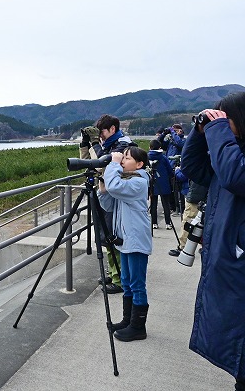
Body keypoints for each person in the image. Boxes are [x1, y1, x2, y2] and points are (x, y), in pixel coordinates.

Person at [180, 91, 245, 390]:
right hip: (236, 257)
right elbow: (193, 167)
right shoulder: (237, 149)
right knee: (234, 336)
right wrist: (200, 133)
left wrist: (217, 130)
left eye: (227, 120)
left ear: (242, 118)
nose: (222, 125)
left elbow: (236, 177)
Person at [97, 146, 152, 342]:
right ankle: (127, 321)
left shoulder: (139, 182)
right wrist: (103, 191)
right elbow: (109, 204)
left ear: (139, 164)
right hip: (126, 240)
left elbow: (115, 187)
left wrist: (112, 164)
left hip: (136, 241)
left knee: (137, 284)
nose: (122, 161)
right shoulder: (127, 181)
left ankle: (138, 327)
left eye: (126, 158)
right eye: (122, 158)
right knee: (127, 282)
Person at [79, 114, 136, 294]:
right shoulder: (109, 145)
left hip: (114, 198)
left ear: (112, 129)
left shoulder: (124, 146)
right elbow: (90, 163)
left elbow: (105, 165)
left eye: (101, 132)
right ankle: (114, 273)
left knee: (114, 238)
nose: (100, 136)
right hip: (104, 194)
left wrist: (96, 144)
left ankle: (120, 280)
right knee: (105, 237)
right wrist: (85, 144)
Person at [171, 179, 208, 257]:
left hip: (196, 194)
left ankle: (182, 247)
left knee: (188, 222)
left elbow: (185, 172)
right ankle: (206, 246)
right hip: (206, 195)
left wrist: (178, 171)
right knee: (207, 223)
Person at [148, 139, 175, 230]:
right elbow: (169, 170)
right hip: (163, 182)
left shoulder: (147, 157)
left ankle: (154, 223)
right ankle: (168, 223)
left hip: (152, 182)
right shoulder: (163, 157)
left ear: (150, 147)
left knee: (153, 204)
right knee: (166, 204)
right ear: (159, 147)